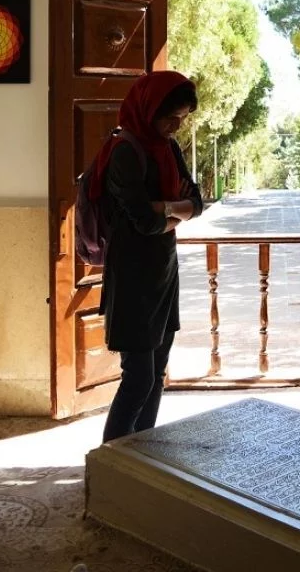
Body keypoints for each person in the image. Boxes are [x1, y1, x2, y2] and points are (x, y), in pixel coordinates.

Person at [91, 70, 203, 442]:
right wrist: (174, 212)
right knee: (138, 378)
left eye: (183, 118)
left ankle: (144, 457)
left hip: (163, 272)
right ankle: (110, 464)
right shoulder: (126, 149)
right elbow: (144, 222)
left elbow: (198, 203)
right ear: (149, 107)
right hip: (133, 276)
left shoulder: (169, 148)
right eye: (170, 117)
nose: (176, 126)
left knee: (157, 372)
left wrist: (165, 208)